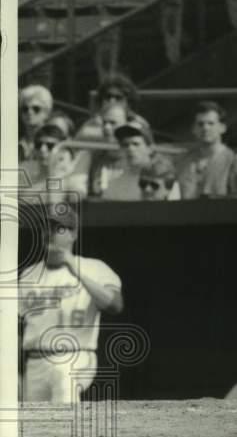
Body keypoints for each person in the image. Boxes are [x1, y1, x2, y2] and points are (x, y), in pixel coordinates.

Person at [18, 205, 124, 403]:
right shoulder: (28, 275)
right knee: (34, 419)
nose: (50, 233)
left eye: (58, 228)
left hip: (76, 356)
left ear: (73, 234)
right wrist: (15, 371)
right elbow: (16, 325)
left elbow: (115, 305)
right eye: (46, 227)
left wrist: (76, 270)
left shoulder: (94, 268)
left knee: (63, 374)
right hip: (35, 361)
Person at [176, 101, 237, 199]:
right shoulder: (183, 161)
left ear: (222, 128)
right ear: (193, 129)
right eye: (200, 124)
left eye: (211, 123)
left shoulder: (233, 162)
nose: (205, 128)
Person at [101, 119, 177, 201]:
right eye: (125, 145)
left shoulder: (165, 179)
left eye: (136, 144)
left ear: (150, 148)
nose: (130, 149)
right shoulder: (114, 186)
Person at [20, 117, 88, 204]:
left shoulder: (71, 175)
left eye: (50, 145)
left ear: (62, 150)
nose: (42, 149)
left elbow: (61, 204)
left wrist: (55, 176)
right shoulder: (26, 169)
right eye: (38, 144)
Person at [76, 72, 149, 141]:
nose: (112, 101)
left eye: (118, 98)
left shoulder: (140, 123)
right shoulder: (90, 124)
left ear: (129, 103)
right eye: (108, 97)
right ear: (101, 100)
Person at [18, 84, 54, 161]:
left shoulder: (52, 145)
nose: (29, 112)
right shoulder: (14, 144)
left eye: (36, 109)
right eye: (25, 109)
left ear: (47, 113)